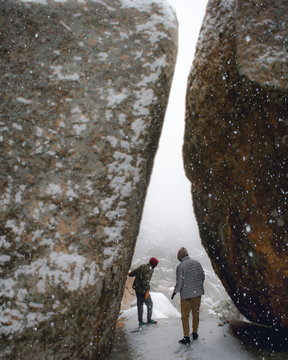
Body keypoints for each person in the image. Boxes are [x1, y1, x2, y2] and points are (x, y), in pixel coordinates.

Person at [171, 247, 205, 344]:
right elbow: (202, 276)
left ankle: (186, 337)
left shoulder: (180, 267)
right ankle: (195, 333)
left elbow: (179, 283)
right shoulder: (197, 263)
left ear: (180, 257)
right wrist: (197, 286)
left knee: (185, 316)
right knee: (196, 314)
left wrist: (175, 292)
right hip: (197, 294)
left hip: (186, 296)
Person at [128, 257, 159, 326]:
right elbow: (145, 281)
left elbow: (132, 273)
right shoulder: (149, 270)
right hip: (143, 290)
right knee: (150, 304)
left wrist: (129, 273)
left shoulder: (142, 266)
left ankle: (141, 321)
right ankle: (149, 320)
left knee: (140, 305)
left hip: (137, 288)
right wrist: (147, 291)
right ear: (154, 265)